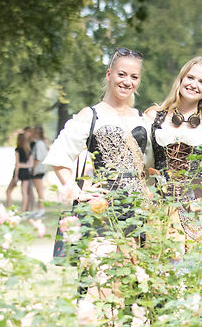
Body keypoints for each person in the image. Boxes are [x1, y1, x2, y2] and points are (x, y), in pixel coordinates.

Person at [44, 47, 152, 225]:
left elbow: (152, 165)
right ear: (109, 74)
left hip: (138, 210)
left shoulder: (143, 119)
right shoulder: (91, 115)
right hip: (101, 208)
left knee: (133, 253)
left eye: (134, 77)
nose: (127, 81)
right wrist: (76, 190)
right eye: (122, 74)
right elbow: (59, 156)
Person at [146, 57, 202, 238]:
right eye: (190, 77)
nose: (194, 84)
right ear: (181, 79)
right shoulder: (153, 117)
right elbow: (143, 167)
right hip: (160, 213)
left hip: (200, 215)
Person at [30, 126, 50, 218]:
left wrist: (32, 168)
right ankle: (41, 210)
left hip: (38, 169)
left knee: (39, 191)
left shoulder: (38, 144)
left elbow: (37, 158)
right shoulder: (43, 143)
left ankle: (41, 210)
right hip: (42, 168)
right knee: (40, 191)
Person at [15, 131, 34, 214]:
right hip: (26, 172)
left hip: (21, 172)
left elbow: (17, 164)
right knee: (25, 191)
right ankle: (24, 210)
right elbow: (31, 164)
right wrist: (24, 165)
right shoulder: (28, 150)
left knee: (23, 192)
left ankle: (23, 210)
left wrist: (15, 176)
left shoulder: (18, 150)